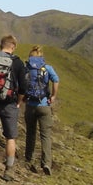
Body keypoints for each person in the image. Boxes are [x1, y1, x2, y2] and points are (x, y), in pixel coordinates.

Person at [0, 34, 27, 181]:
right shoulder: (18, 63)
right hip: (9, 103)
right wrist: (19, 102)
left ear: (1, 45)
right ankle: (8, 170)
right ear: (13, 46)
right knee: (10, 138)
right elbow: (23, 86)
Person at [23, 45, 60, 175]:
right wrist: (53, 96)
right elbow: (56, 80)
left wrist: (22, 98)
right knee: (45, 136)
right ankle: (46, 163)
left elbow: (21, 83)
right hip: (44, 105)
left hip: (30, 105)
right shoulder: (47, 68)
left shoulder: (27, 68)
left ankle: (29, 159)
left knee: (30, 133)